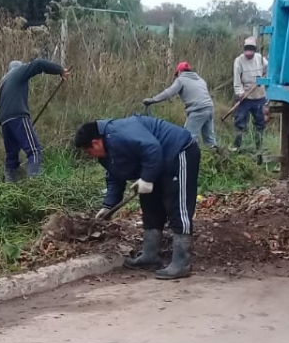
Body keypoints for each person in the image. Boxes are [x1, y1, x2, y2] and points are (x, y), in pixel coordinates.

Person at [73, 115, 201, 280]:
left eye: (88, 151)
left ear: (96, 142)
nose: (90, 155)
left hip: (177, 152)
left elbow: (152, 148)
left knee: (178, 205)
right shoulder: (105, 153)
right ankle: (149, 256)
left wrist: (146, 179)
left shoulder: (120, 133)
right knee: (150, 205)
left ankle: (181, 263)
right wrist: (108, 206)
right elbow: (114, 176)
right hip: (154, 162)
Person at [0, 55, 69, 182]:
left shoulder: (4, 81)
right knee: (34, 150)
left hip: (4, 121)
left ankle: (9, 186)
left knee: (12, 156)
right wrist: (60, 70)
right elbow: (38, 64)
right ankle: (35, 183)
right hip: (18, 116)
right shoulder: (19, 72)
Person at [143, 61, 217, 149]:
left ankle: (192, 159)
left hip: (198, 110)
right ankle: (217, 158)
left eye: (177, 74)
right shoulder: (201, 80)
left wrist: (152, 100)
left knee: (188, 138)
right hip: (210, 108)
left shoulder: (181, 80)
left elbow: (169, 92)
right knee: (210, 140)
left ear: (179, 72)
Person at [231, 36, 270, 151]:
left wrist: (263, 80)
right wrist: (240, 93)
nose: (248, 54)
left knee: (260, 122)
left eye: (251, 51)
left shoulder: (260, 59)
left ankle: (259, 148)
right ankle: (236, 147)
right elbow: (237, 80)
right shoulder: (239, 61)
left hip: (259, 96)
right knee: (240, 121)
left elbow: (268, 71)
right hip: (244, 98)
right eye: (246, 51)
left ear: (254, 50)